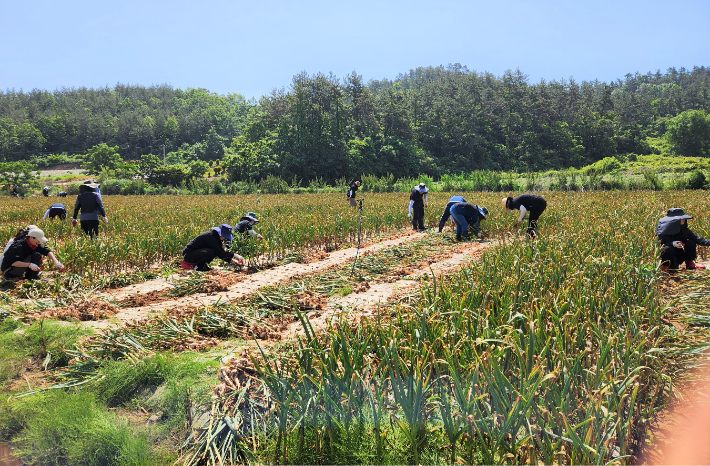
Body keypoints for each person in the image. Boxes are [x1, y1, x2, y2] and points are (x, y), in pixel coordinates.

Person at [656, 208, 710, 273]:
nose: (684, 219)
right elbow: (659, 247)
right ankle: (665, 268)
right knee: (667, 248)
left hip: (680, 255)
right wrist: (672, 244)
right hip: (669, 258)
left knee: (691, 242)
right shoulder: (663, 232)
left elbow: (698, 239)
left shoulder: (684, 230)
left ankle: (690, 263)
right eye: (681, 218)